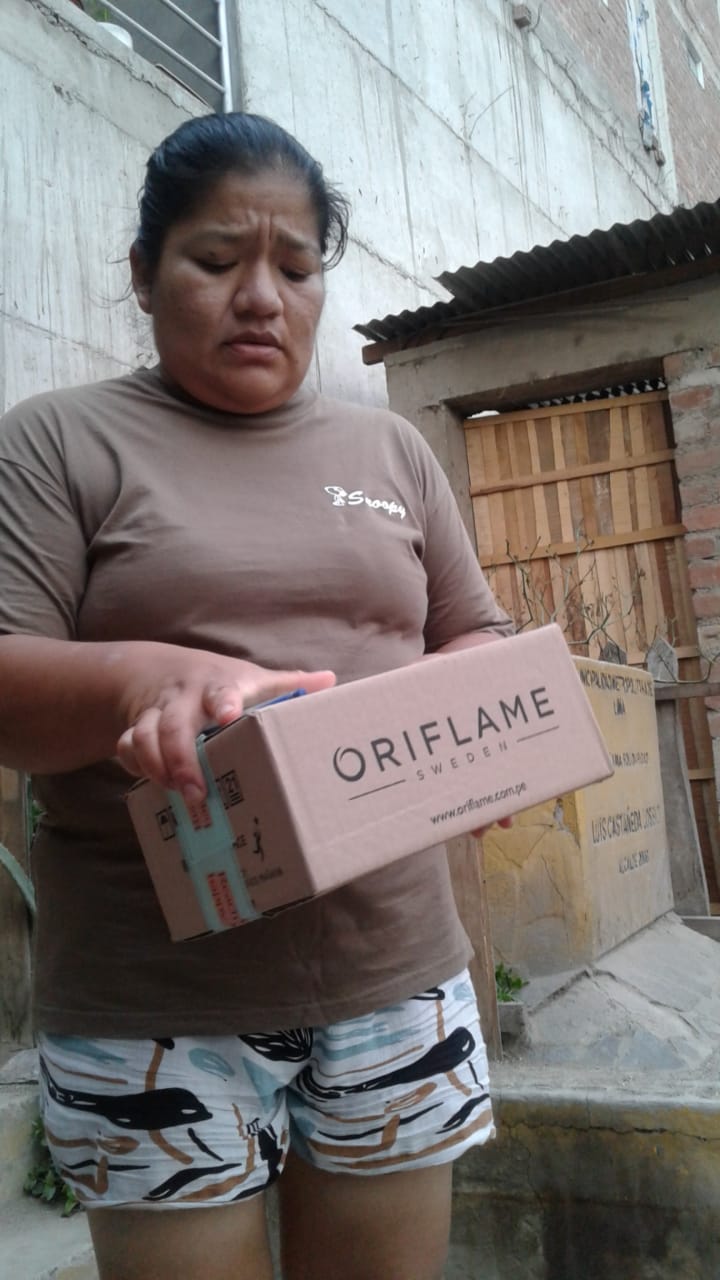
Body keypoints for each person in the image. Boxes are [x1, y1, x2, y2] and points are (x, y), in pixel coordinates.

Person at [0, 113, 514, 1280]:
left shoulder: (392, 453)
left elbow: (474, 635)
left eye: (295, 266)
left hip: (395, 972)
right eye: (217, 259)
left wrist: (484, 744)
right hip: (153, 1003)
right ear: (145, 273)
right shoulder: (59, 444)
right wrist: (148, 676)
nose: (261, 299)